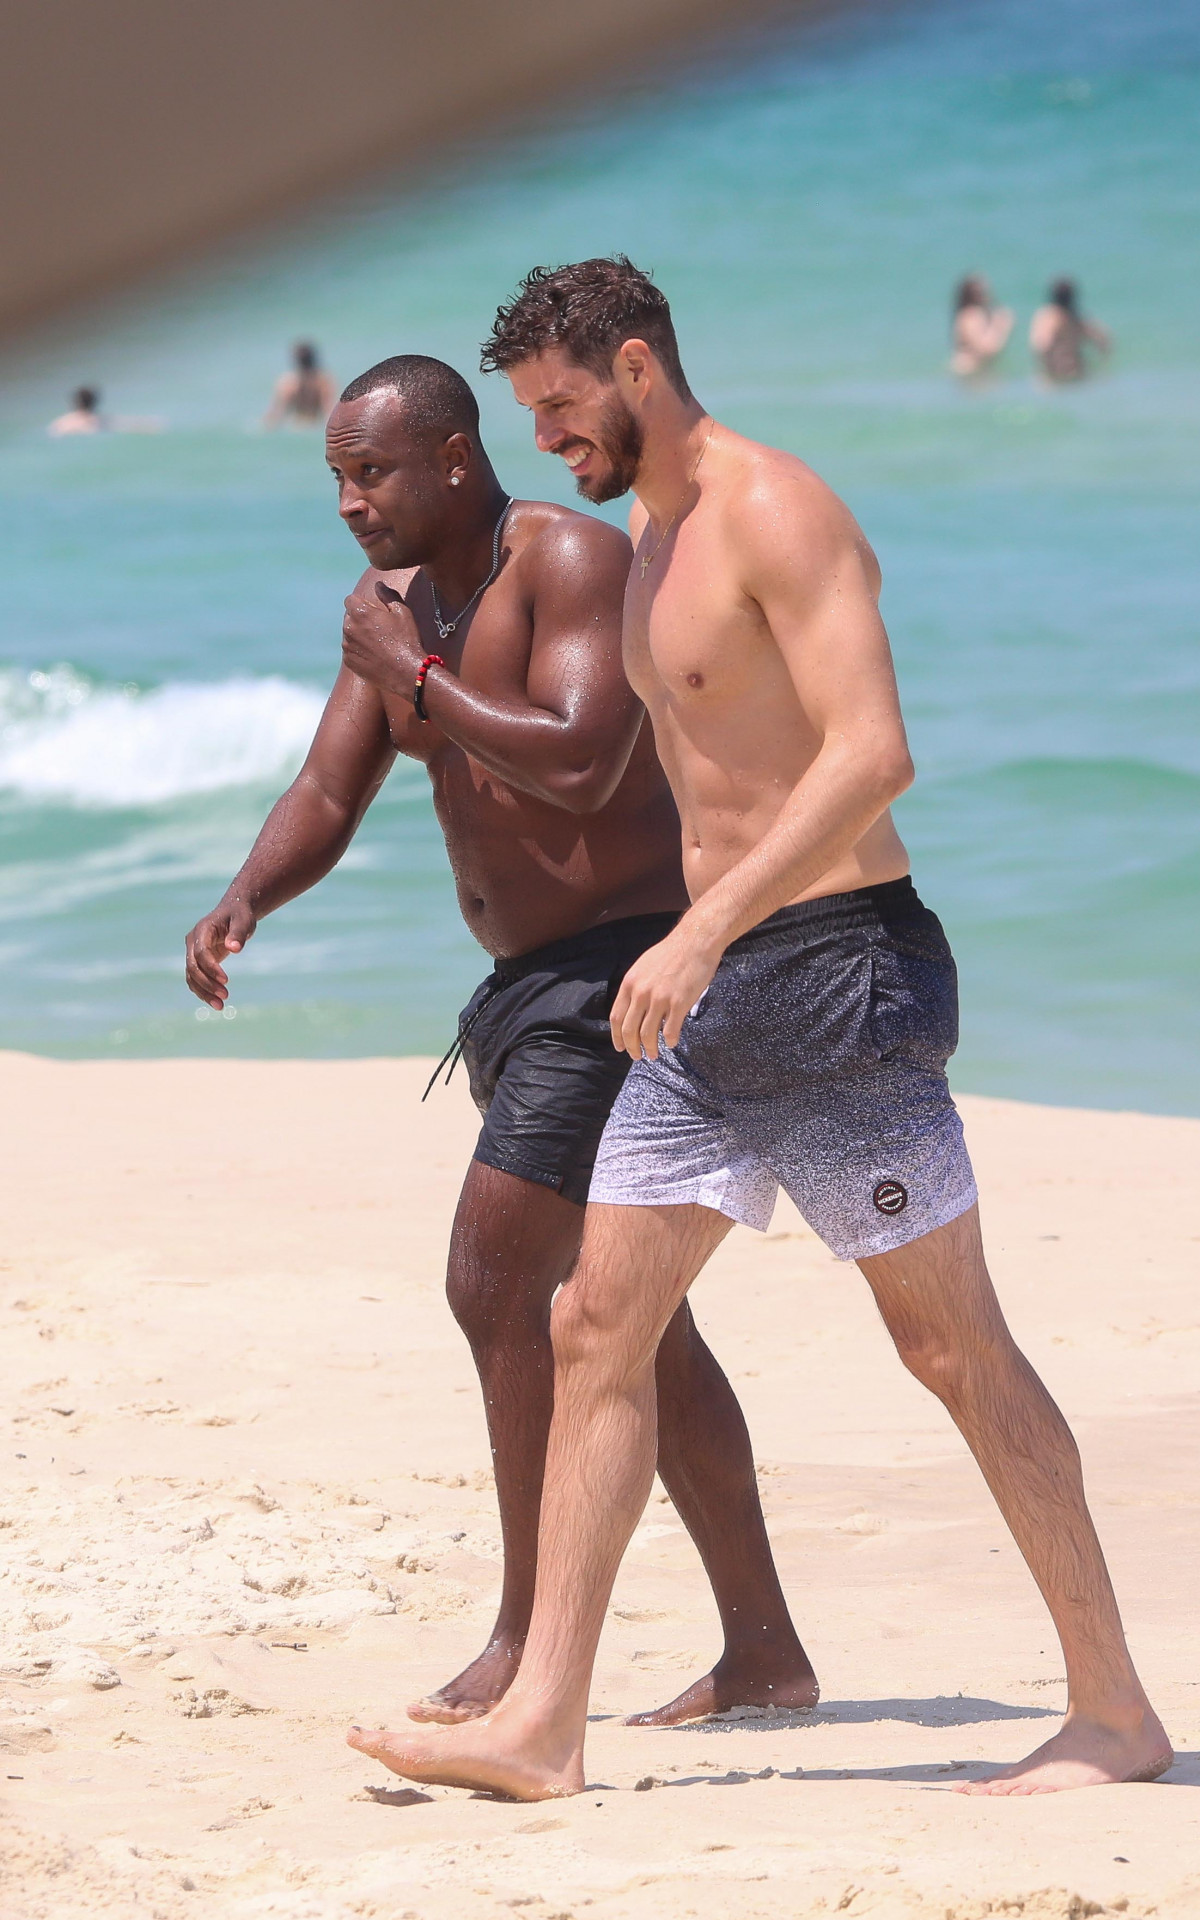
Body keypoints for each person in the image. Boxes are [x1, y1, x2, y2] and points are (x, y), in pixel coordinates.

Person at [347, 260, 1171, 1800]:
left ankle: (1115, 1712)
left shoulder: (774, 511)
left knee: (948, 1344)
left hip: (837, 980)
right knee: (595, 1322)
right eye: (527, 415)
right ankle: (543, 1725)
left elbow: (874, 755)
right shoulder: (653, 542)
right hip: (713, 994)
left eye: (562, 407)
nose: (548, 441)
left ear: (639, 366)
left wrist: (704, 927)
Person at [185, 353, 818, 1729]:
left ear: (457, 461)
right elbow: (328, 784)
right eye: (336, 477)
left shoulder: (567, 561)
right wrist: (246, 896)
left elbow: (583, 753)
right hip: (526, 990)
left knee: (497, 1283)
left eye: (373, 473)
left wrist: (414, 670)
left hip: (623, 977)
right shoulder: (390, 609)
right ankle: (765, 1652)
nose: (350, 501)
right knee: (637, 1327)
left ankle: (532, 1642)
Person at [1030, 280, 1111, 383]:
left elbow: (1042, 346)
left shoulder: (1047, 317)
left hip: (1055, 374)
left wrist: (1045, 370)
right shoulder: (1077, 318)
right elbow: (1104, 341)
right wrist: (1101, 365)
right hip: (1078, 371)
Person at [949, 275, 1013, 378]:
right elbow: (986, 349)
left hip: (968, 371)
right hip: (969, 372)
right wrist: (1001, 326)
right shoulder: (971, 315)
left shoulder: (966, 314)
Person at [263, 341, 337, 427]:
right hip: (315, 425)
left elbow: (275, 416)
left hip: (296, 426)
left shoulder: (288, 383)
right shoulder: (324, 381)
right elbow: (329, 412)